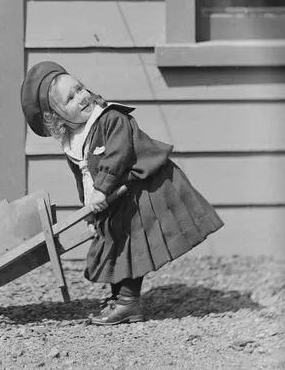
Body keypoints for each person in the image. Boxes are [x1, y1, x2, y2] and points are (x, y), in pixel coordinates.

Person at [20, 61, 224, 326]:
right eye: (70, 98)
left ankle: (128, 303)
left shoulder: (110, 119)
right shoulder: (73, 139)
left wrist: (102, 189)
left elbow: (117, 156)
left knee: (130, 241)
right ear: (56, 118)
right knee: (112, 240)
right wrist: (91, 208)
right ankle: (120, 299)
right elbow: (84, 176)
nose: (81, 97)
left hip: (144, 188)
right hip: (116, 194)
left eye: (80, 88)